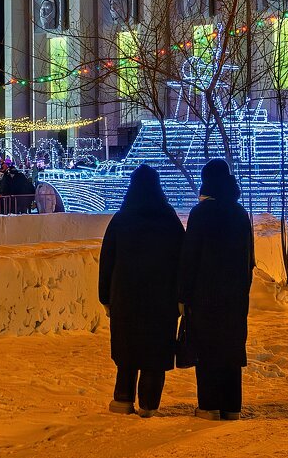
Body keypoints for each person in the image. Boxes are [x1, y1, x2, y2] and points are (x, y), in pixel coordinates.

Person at [99, 164, 185, 417]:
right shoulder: (169, 219)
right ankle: (149, 405)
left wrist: (105, 297)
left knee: (127, 352)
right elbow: (183, 259)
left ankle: (122, 399)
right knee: (154, 356)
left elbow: (107, 261)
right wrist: (181, 297)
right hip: (162, 300)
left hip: (125, 298)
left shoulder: (122, 218)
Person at [178, 159, 255, 421]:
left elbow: (190, 258)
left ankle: (209, 406)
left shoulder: (200, 214)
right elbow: (249, 260)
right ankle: (232, 407)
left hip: (205, 297)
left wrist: (184, 296)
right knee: (231, 350)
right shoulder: (240, 214)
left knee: (207, 351)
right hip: (234, 297)